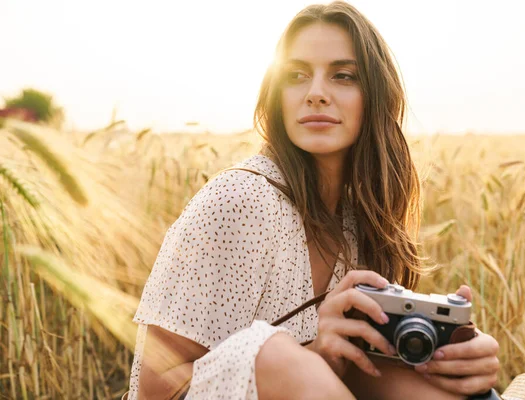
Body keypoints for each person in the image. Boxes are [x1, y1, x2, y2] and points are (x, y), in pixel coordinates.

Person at [127, 2, 500, 399]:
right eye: (296, 75)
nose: (316, 94)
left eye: (342, 76)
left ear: (374, 97)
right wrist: (307, 357)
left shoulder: (360, 223)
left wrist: (455, 356)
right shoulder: (240, 201)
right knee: (273, 354)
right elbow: (155, 388)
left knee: (410, 376)